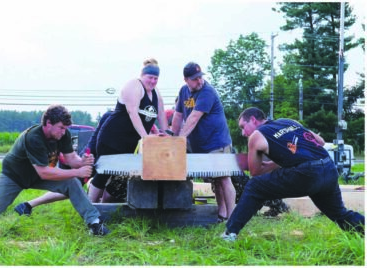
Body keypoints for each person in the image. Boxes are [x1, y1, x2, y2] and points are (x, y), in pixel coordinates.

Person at [222, 107, 365, 241]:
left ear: (253, 120)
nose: (243, 133)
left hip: (307, 174)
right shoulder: (289, 121)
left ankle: (229, 234)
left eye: (243, 127)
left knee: (254, 186)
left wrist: (268, 167)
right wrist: (274, 164)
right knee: (339, 214)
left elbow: (255, 173)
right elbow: (320, 142)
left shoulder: (256, 136)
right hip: (328, 168)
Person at [0, 105, 110, 236]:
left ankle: (94, 223)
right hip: (14, 176)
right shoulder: (33, 137)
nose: (63, 131)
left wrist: (82, 162)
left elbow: (71, 159)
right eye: (60, 127)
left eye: (65, 128)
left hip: (39, 175)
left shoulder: (63, 134)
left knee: (72, 183)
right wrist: (78, 172)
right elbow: (44, 172)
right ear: (48, 123)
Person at [88, 58, 169, 203]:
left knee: (119, 178)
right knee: (102, 174)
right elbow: (133, 113)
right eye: (150, 77)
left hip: (129, 143)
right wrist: (146, 137)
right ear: (142, 75)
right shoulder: (133, 86)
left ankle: (105, 205)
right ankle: (89, 209)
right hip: (112, 139)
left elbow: (161, 114)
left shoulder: (156, 93)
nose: (153, 81)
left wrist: (168, 135)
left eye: (156, 78)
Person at [13, 110, 114, 215]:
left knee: (76, 187)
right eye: (61, 128)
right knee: (74, 186)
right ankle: (27, 205)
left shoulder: (112, 115)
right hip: (91, 157)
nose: (63, 132)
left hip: (93, 155)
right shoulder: (111, 115)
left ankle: (27, 205)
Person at [171, 62, 236, 222]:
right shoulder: (183, 91)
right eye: (195, 79)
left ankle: (234, 218)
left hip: (217, 142)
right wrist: (172, 136)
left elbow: (193, 118)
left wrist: (179, 140)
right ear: (186, 79)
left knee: (223, 178)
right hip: (201, 144)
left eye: (200, 77)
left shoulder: (208, 92)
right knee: (215, 179)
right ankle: (222, 214)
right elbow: (178, 115)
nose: (199, 81)